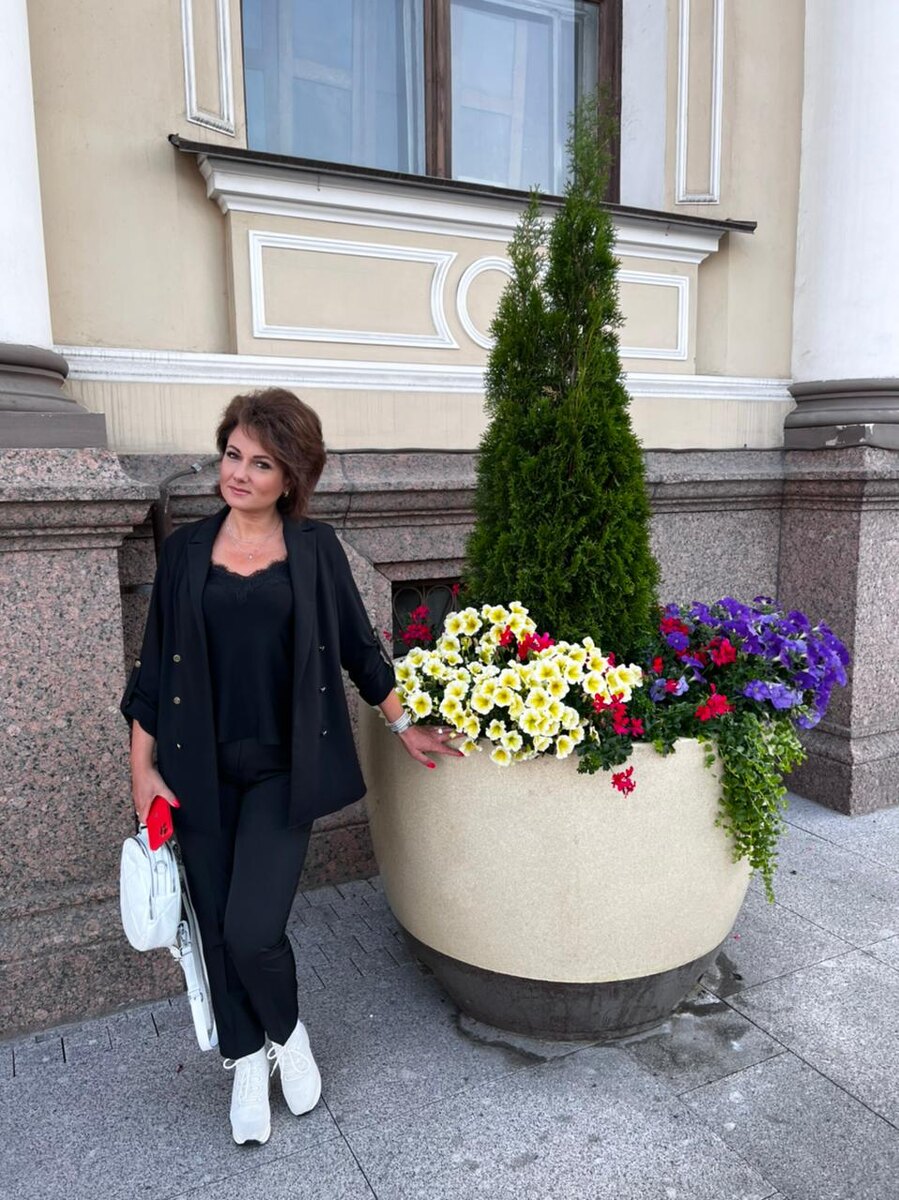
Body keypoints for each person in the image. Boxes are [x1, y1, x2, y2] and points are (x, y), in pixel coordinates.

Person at [121, 387, 460, 1145]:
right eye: (232, 455)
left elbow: (358, 647)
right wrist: (141, 769)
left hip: (283, 769)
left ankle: (287, 1032)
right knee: (214, 925)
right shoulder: (184, 552)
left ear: (291, 477)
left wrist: (402, 724)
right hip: (196, 770)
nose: (238, 474)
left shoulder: (313, 549)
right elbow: (155, 667)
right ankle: (247, 1059)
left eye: (260, 463)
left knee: (252, 929)